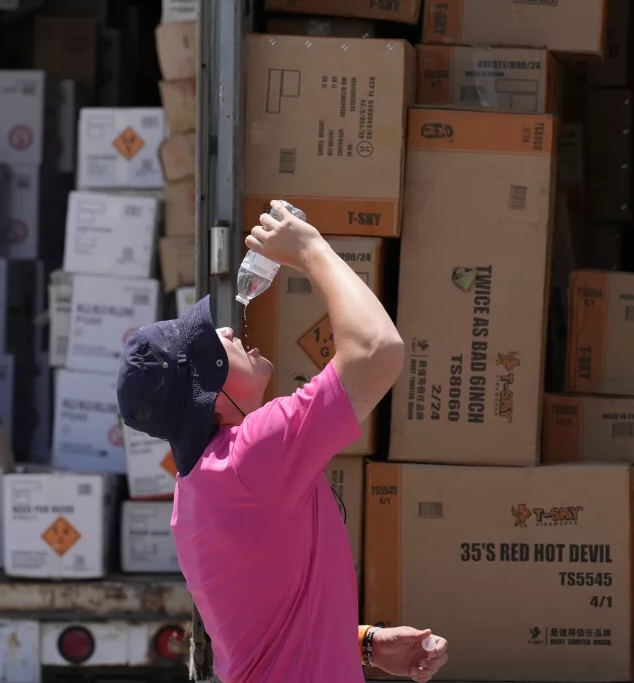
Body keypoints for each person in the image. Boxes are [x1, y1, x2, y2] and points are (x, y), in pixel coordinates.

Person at [117, 202, 449, 682]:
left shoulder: (209, 480)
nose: (228, 331)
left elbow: (264, 626)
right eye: (214, 343)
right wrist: (310, 249)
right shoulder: (248, 459)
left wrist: (362, 644)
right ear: (210, 396)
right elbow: (377, 351)